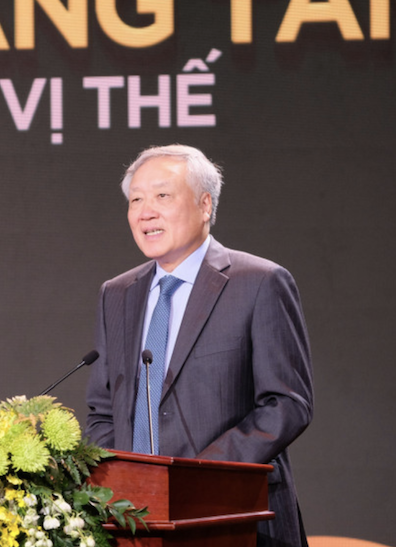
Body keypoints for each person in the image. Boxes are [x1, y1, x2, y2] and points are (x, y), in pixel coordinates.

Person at [85, 144, 314, 547]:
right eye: (136, 200)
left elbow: (287, 403)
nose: (145, 212)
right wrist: (122, 485)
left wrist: (199, 476)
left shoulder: (259, 282)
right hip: (135, 525)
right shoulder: (117, 294)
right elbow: (103, 411)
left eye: (162, 196)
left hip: (235, 517)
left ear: (205, 205)